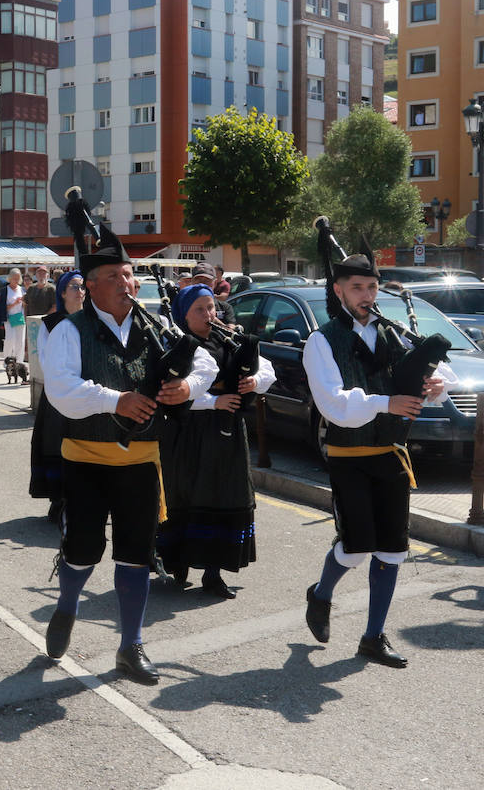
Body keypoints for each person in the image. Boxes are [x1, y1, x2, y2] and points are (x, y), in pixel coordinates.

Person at [42, 232, 218, 684]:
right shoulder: (69, 330)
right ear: (91, 286)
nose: (125, 283)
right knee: (83, 550)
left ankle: (130, 645)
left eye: (128, 275)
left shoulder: (155, 326)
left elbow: (206, 365)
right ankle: (66, 606)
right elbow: (60, 391)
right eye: (114, 277)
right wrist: (113, 400)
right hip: (86, 457)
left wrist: (187, 388)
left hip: (141, 460)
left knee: (136, 554)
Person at [301, 250, 452, 669]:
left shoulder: (394, 334)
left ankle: (373, 636)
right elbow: (332, 403)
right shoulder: (322, 340)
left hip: (391, 455)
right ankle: (321, 593)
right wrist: (387, 402)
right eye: (356, 288)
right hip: (349, 456)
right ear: (339, 291)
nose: (366, 295)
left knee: (392, 549)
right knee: (354, 548)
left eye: (371, 287)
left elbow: (428, 385)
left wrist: (433, 385)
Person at [157, 284, 275, 599]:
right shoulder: (177, 344)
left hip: (227, 434)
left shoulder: (228, 340)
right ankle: (178, 564)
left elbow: (267, 369)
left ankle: (213, 573)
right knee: (186, 494)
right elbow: (170, 392)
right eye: (200, 309)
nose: (210, 314)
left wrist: (254, 381)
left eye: (212, 307)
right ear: (183, 314)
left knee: (225, 495)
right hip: (188, 432)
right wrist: (213, 402)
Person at [29, 270, 84, 521]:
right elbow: (47, 362)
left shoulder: (94, 322)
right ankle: (58, 499)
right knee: (57, 445)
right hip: (59, 396)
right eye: (74, 287)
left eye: (83, 287)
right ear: (62, 292)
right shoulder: (51, 324)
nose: (80, 292)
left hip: (88, 396)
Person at [2, 269, 27, 363]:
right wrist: (15, 303)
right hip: (9, 318)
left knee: (20, 341)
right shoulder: (5, 290)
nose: (16, 280)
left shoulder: (21, 289)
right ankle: (7, 361)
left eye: (17, 278)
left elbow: (25, 304)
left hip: (20, 317)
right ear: (10, 278)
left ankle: (19, 362)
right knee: (9, 340)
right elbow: (3, 307)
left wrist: (23, 302)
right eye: (14, 278)